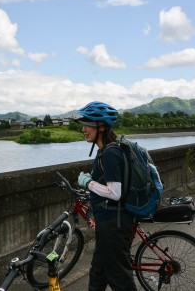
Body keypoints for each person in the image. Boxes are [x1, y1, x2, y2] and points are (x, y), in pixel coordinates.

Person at [75, 101, 137, 291]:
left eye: (88, 125)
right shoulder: (108, 150)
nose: (84, 129)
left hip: (113, 225)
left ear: (101, 127)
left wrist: (88, 183)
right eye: (83, 125)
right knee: (97, 276)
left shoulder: (110, 153)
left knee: (121, 281)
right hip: (108, 223)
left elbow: (114, 192)